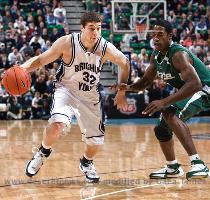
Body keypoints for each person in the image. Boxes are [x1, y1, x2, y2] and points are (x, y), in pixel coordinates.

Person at [22, 12, 129, 183]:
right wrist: (21, 69)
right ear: (82, 28)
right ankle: (43, 151)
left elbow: (125, 63)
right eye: (91, 29)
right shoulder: (67, 43)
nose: (95, 33)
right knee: (57, 124)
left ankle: (86, 163)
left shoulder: (105, 47)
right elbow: (41, 60)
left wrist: (122, 91)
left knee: (95, 143)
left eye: (99, 29)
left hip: (90, 94)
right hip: (66, 89)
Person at [116, 20, 210, 180]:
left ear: (170, 36)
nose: (156, 38)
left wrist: (164, 101)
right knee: (161, 129)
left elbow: (195, 83)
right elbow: (145, 82)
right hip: (191, 90)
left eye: (160, 35)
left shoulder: (178, 54)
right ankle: (173, 167)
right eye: (154, 34)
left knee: (169, 113)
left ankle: (199, 164)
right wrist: (127, 87)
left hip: (204, 90)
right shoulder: (156, 56)